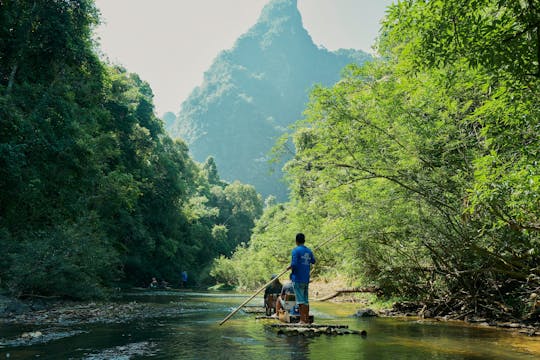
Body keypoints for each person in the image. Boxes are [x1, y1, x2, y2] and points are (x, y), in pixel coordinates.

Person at [287, 233, 316, 324]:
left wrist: (290, 267)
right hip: (306, 279)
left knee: (300, 301)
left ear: (296, 241)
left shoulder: (295, 251)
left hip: (298, 278)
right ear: (304, 241)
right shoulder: (309, 251)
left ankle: (302, 320)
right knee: (306, 301)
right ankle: (306, 319)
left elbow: (294, 264)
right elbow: (313, 261)